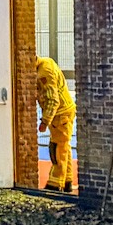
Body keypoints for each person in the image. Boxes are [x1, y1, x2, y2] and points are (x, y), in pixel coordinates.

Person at [35, 55, 76, 194]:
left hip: (60, 114)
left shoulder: (43, 73)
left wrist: (45, 121)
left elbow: (53, 100)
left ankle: (55, 183)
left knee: (57, 148)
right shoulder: (47, 62)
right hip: (64, 111)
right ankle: (67, 181)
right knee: (64, 146)